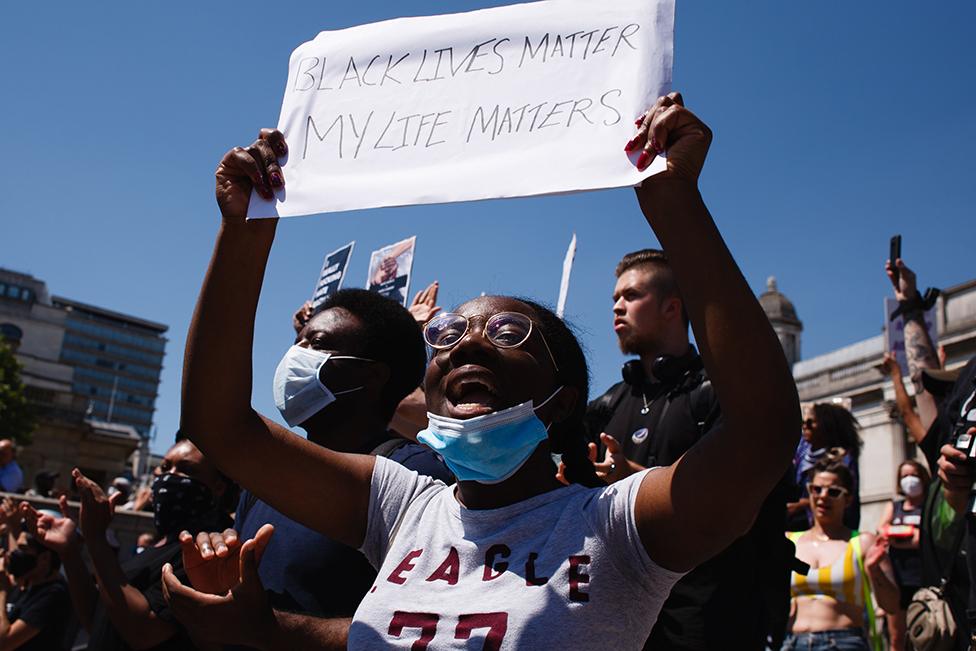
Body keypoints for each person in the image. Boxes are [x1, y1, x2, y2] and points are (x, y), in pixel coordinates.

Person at [163, 92, 800, 649]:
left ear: (559, 400)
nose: (467, 344)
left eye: (506, 333)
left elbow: (760, 431)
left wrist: (674, 201)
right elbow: (221, 427)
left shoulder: (615, 527)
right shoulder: (402, 506)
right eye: (447, 335)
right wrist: (244, 227)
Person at [166, 288, 453, 649]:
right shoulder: (262, 482)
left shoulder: (416, 478)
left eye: (316, 344)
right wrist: (218, 586)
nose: (294, 356)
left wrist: (274, 630)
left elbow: (427, 627)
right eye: (297, 342)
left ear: (373, 375)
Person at [584, 248, 794, 650]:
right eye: (614, 299)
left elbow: (744, 506)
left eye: (631, 296)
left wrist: (638, 483)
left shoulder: (724, 397)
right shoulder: (607, 406)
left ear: (671, 307)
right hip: (624, 620)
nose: (617, 307)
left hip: (712, 620)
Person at [21, 438, 237, 651]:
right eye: (164, 466)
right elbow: (99, 620)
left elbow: (144, 631)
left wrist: (96, 537)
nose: (168, 475)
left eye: (186, 469)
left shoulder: (205, 551)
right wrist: (69, 551)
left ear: (219, 486)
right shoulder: (162, 543)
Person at [784, 460, 900, 651]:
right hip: (792, 642)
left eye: (833, 492)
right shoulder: (790, 541)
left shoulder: (863, 543)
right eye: (816, 489)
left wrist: (873, 569)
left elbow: (892, 605)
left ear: (848, 499)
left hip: (843, 642)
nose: (823, 497)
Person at [876, 460, 929, 651]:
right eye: (904, 476)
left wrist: (898, 536)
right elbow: (882, 532)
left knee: (929, 635)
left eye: (913, 474)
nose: (909, 480)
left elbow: (922, 539)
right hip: (898, 580)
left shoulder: (929, 504)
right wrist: (909, 536)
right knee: (897, 637)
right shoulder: (895, 506)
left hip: (924, 578)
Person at [788, 402, 863, 530]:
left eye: (810, 423)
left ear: (826, 427)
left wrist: (802, 504)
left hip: (828, 527)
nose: (805, 427)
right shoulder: (802, 452)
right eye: (803, 423)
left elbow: (844, 500)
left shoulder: (842, 459)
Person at [0, 532, 71, 650]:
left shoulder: (53, 594)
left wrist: (1, 590)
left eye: (23, 549)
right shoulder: (27, 584)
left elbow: (4, 643)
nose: (14, 554)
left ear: (45, 558)